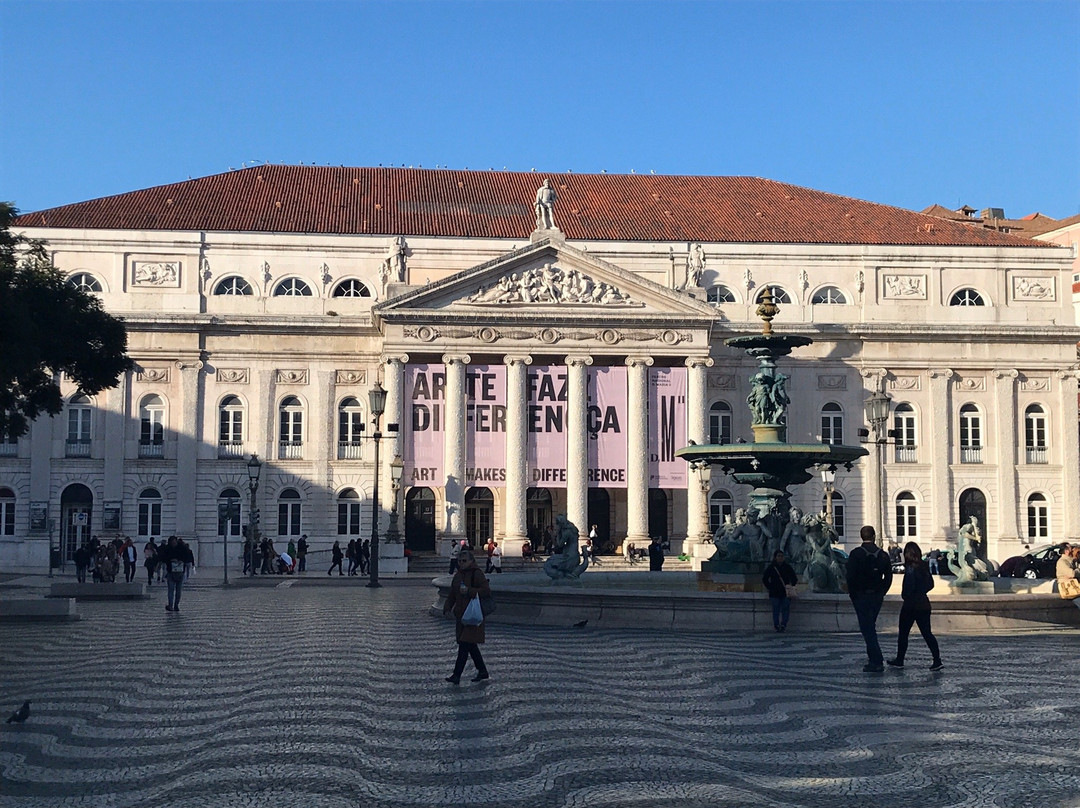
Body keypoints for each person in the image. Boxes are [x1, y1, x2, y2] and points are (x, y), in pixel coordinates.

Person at [888, 541, 943, 671]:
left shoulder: (911, 568)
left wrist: (906, 595)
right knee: (927, 633)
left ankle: (900, 659)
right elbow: (931, 584)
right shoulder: (923, 566)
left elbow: (909, 587)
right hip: (923, 603)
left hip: (911, 605)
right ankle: (937, 659)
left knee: (903, 633)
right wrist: (922, 592)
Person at [845, 526, 894, 672]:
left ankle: (876, 660)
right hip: (876, 595)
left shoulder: (856, 554)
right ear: (873, 536)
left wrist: (853, 594)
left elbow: (850, 576)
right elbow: (889, 576)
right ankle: (873, 659)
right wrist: (883, 591)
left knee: (867, 628)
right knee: (869, 626)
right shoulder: (883, 555)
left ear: (861, 536)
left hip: (861, 595)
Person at [441, 548, 491, 684]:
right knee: (470, 645)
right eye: (459, 561)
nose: (461, 563)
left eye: (464, 561)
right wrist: (447, 607)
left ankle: (456, 675)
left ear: (471, 561)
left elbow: (486, 591)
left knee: (464, 644)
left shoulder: (477, 574)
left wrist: (470, 591)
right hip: (461, 615)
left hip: (473, 615)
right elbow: (452, 594)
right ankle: (483, 671)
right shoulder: (458, 575)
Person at [762, 550, 799, 632]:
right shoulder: (771, 567)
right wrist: (770, 587)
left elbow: (794, 578)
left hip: (786, 592)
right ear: (775, 557)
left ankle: (783, 625)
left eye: (782, 556)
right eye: (778, 556)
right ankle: (776, 625)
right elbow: (765, 579)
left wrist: (790, 586)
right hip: (774, 593)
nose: (780, 558)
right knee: (776, 609)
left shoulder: (787, 567)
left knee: (785, 609)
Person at [160, 535, 192, 612]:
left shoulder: (169, 548)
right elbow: (164, 558)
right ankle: (172, 605)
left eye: (174, 542)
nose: (173, 543)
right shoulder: (181, 548)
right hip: (172, 572)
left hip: (179, 572)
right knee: (172, 590)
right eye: (172, 542)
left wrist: (180, 560)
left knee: (177, 590)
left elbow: (164, 558)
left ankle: (175, 605)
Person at [1056, 544, 1080, 611]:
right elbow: (1071, 573)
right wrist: (1078, 570)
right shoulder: (1062, 561)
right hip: (1068, 587)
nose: (1073, 550)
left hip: (1074, 585)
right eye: (1071, 548)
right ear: (1066, 551)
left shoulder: (1072, 560)